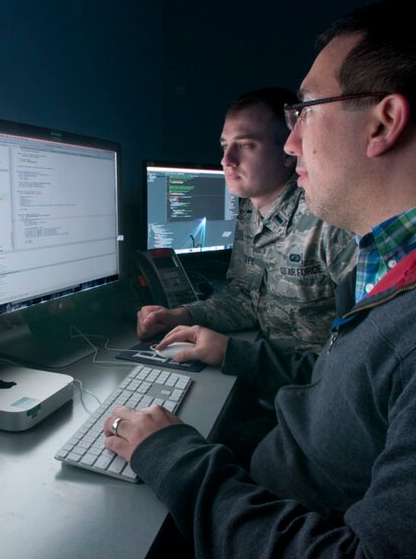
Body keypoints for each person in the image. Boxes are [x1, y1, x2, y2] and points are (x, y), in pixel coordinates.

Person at [106, 0, 416, 559]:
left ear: (384, 122)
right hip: (270, 490)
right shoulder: (403, 267)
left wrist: (175, 457)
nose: (293, 145)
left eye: (305, 111)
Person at [137, 87, 356, 362]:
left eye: (245, 145)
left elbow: (360, 357)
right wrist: (180, 315)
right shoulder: (249, 211)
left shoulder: (328, 221)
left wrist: (234, 354)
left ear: (288, 153)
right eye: (224, 146)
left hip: (315, 392)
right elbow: (245, 296)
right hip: (271, 379)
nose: (226, 161)